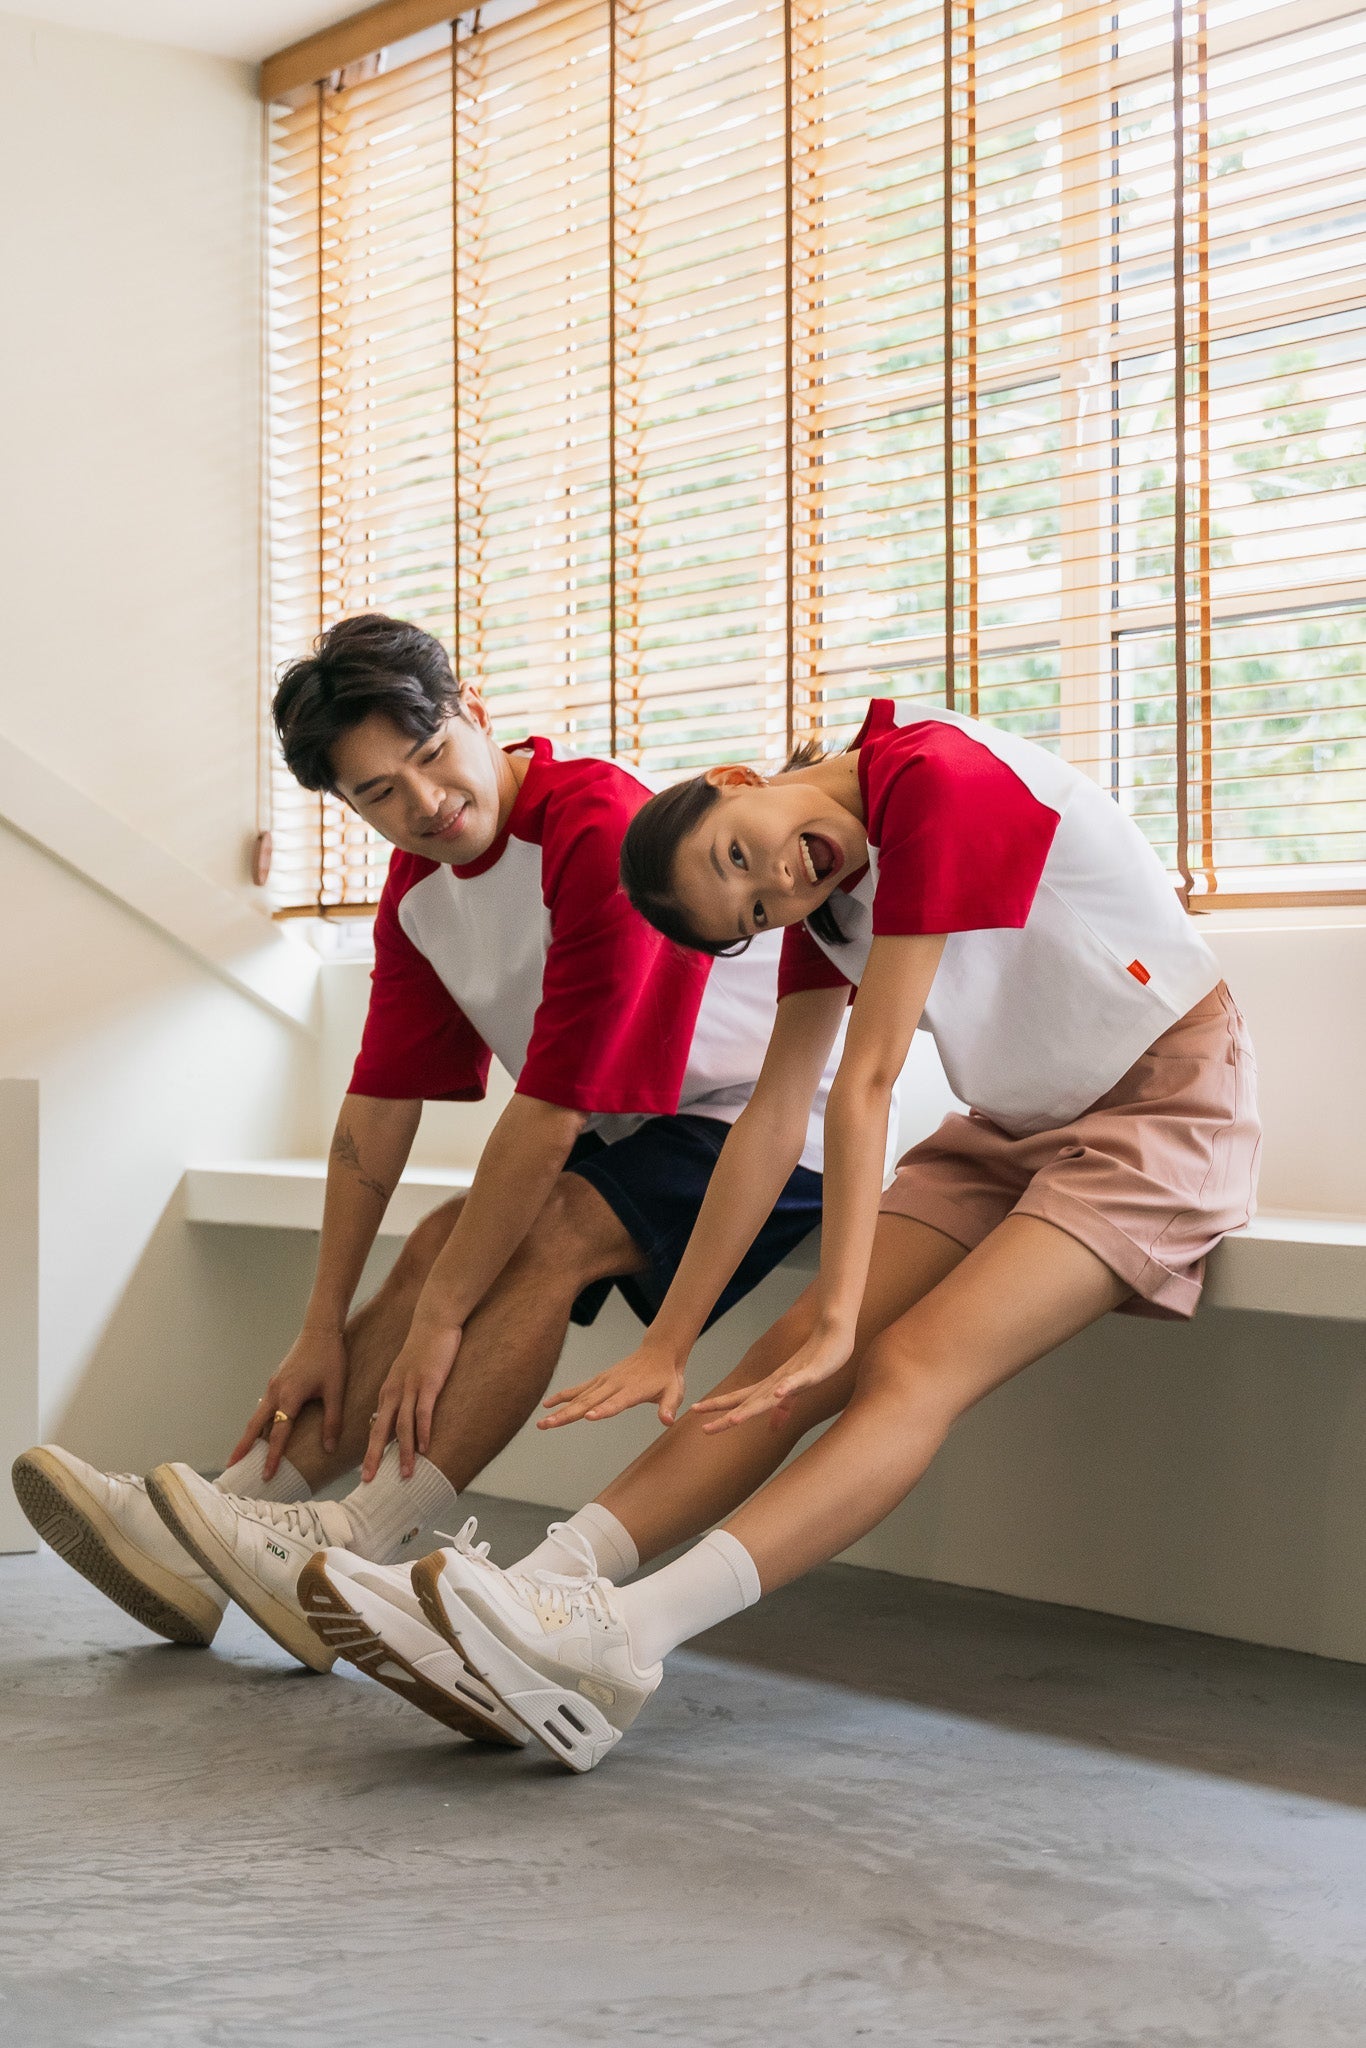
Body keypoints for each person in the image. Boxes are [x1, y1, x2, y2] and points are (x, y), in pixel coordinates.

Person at [13, 614, 875, 1748]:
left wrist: (441, 1320)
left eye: (428, 755)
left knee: (541, 1232)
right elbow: (377, 1109)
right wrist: (321, 1325)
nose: (421, 801)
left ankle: (357, 1536)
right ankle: (228, 1518)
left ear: (470, 708)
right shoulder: (420, 891)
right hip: (639, 1128)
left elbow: (551, 1113)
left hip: (771, 1122)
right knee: (433, 1243)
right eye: (377, 792)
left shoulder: (591, 822)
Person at [382, 694, 1260, 1770]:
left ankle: (628, 1638)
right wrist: (673, 1335)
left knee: (907, 1364)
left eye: (743, 855)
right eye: (752, 907)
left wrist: (844, 1312)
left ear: (735, 780)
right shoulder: (825, 896)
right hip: (1014, 1127)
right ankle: (544, 1584)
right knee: (779, 1359)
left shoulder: (927, 776)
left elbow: (870, 1083)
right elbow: (771, 1113)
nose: (778, 886)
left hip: (1162, 1108)